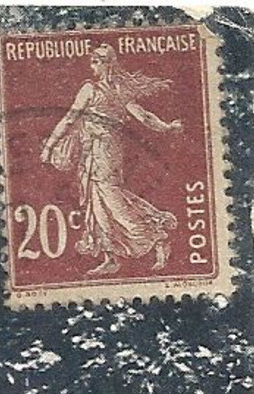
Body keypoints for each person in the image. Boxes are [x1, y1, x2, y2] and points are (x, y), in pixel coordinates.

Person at [41, 43, 184, 276]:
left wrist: (49, 146)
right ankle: (110, 257)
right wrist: (166, 127)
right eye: (92, 62)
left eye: (96, 62)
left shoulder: (93, 89)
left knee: (111, 199)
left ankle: (157, 237)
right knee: (95, 201)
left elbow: (70, 119)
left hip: (102, 151)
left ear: (108, 64)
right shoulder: (115, 90)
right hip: (96, 150)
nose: (92, 66)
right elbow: (144, 117)